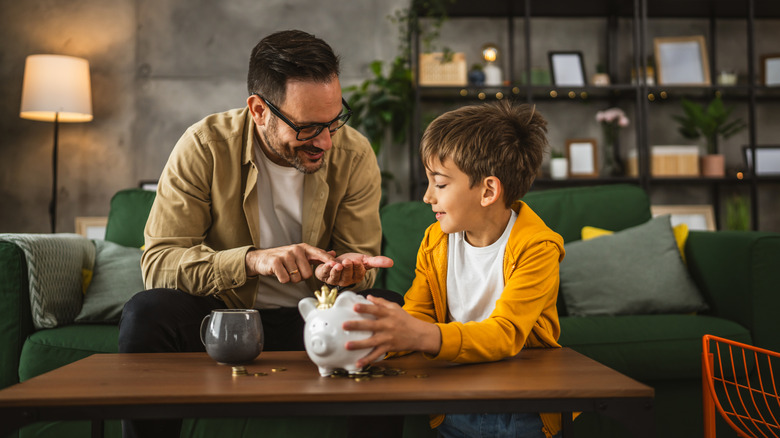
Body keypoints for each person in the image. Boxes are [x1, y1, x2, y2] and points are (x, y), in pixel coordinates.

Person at [118, 29, 403, 438]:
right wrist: (252, 260)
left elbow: (359, 258)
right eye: (307, 128)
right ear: (258, 109)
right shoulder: (204, 146)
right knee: (147, 311)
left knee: (384, 307)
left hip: (315, 321)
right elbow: (159, 265)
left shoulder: (354, 154)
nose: (324, 141)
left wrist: (345, 271)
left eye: (334, 120)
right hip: (223, 318)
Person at [343, 101, 566, 438]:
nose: (427, 197)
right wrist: (380, 337)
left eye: (440, 184)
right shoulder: (436, 241)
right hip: (453, 400)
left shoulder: (537, 248)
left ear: (488, 190)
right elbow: (418, 313)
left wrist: (422, 335)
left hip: (521, 406)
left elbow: (505, 334)